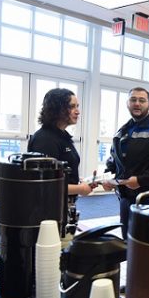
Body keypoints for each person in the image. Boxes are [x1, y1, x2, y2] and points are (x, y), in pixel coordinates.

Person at [103, 87, 149, 239]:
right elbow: (113, 161)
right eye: (133, 100)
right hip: (126, 198)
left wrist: (140, 180)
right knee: (128, 240)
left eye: (142, 100)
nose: (137, 103)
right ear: (127, 103)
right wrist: (107, 177)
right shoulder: (122, 131)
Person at [28, 88, 96, 234]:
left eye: (77, 106)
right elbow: (46, 185)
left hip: (62, 205)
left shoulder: (63, 136)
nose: (77, 111)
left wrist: (81, 181)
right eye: (72, 107)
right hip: (48, 210)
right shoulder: (45, 139)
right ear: (57, 109)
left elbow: (62, 172)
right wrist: (80, 189)